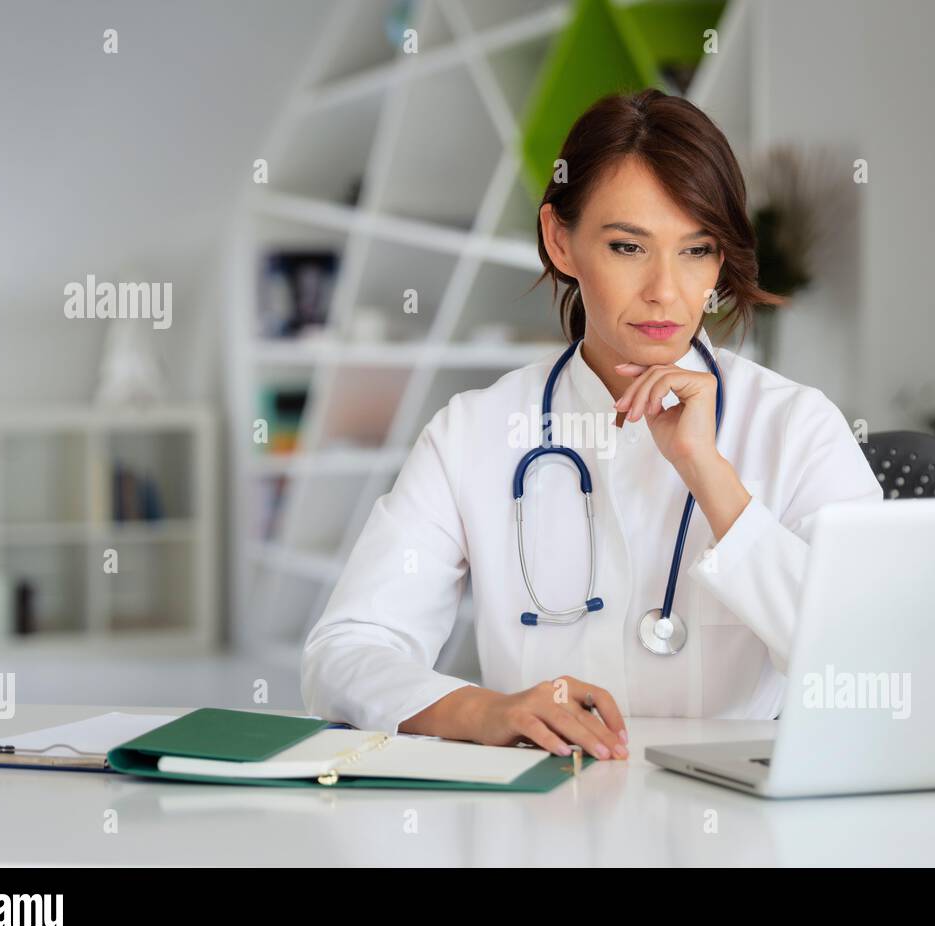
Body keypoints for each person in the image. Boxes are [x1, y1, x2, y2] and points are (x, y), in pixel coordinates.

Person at [301, 89, 883, 761]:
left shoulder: (795, 425)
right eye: (629, 246)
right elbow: (344, 652)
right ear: (561, 240)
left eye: (696, 251)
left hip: (737, 822)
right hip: (544, 811)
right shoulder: (474, 432)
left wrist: (712, 477)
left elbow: (864, 664)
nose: (665, 289)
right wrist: (485, 710)